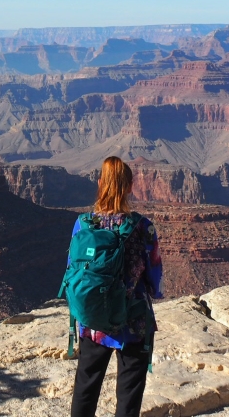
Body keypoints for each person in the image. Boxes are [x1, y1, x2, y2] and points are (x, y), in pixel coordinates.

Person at [68, 156, 162, 417]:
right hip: (134, 323)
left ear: (100, 184)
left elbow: (72, 268)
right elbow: (154, 277)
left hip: (93, 321)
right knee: (128, 397)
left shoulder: (83, 224)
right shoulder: (144, 227)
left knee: (85, 389)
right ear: (130, 186)